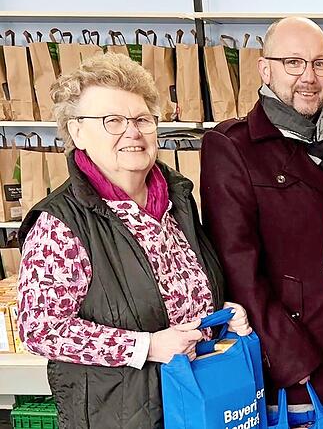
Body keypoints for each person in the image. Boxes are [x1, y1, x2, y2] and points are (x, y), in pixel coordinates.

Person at [16, 53, 252, 429]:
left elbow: (174, 297)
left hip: (191, 403)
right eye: (112, 121)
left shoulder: (177, 201)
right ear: (77, 132)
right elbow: (41, 328)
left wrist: (218, 314)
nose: (133, 132)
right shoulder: (61, 223)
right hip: (121, 414)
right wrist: (146, 346)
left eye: (142, 119)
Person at [200, 17, 323, 427]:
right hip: (297, 380)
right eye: (293, 62)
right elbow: (236, 266)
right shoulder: (233, 146)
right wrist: (289, 360)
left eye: (320, 63)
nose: (308, 76)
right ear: (265, 69)